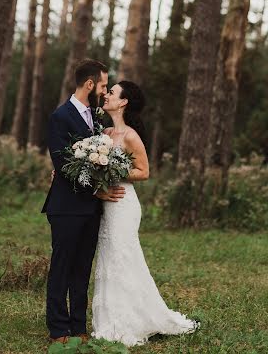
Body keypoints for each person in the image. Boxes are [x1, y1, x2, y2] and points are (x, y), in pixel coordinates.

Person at [92, 80, 200, 346]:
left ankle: (132, 321)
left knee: (123, 257)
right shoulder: (104, 133)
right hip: (107, 202)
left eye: (112, 92)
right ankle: (110, 319)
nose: (106, 95)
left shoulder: (129, 135)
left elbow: (144, 171)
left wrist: (114, 170)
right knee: (108, 258)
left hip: (124, 204)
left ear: (124, 102)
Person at [42, 59, 125, 344]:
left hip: (91, 209)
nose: (104, 90)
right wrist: (96, 192)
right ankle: (58, 328)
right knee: (62, 268)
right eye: (102, 84)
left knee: (82, 268)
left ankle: (78, 325)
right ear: (89, 84)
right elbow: (63, 164)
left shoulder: (97, 117)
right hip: (66, 207)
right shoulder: (60, 117)